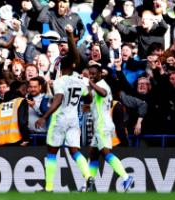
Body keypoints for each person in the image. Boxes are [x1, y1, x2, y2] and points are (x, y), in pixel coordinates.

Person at [35, 24, 94, 192]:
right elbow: (88, 98)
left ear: (63, 66)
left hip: (60, 118)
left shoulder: (60, 81)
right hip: (74, 119)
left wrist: (44, 116)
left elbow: (58, 100)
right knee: (75, 151)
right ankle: (88, 176)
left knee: (52, 151)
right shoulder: (79, 81)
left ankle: (48, 188)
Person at [86, 64, 134, 192]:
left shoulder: (102, 85)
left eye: (94, 73)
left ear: (101, 74)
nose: (91, 75)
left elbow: (103, 93)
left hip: (103, 125)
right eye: (89, 73)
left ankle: (126, 177)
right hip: (98, 125)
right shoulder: (95, 86)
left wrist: (89, 82)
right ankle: (90, 185)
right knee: (93, 154)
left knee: (106, 153)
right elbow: (95, 100)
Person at [0, 80, 30, 146]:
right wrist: (26, 138)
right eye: (23, 88)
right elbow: (22, 121)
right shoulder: (21, 101)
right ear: (18, 89)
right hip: (17, 140)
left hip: (1, 142)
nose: (26, 91)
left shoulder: (0, 105)